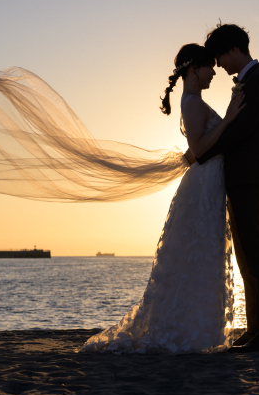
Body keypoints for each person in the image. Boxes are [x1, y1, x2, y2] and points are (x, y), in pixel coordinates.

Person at [78, 43, 246, 354]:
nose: (213, 72)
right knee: (198, 255)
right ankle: (187, 332)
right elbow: (199, 147)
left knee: (198, 258)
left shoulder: (193, 101)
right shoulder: (193, 102)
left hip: (207, 181)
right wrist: (228, 118)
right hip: (203, 186)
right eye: (209, 67)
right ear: (194, 69)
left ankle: (196, 329)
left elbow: (193, 154)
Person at [188, 23, 259, 353]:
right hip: (242, 179)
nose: (218, 65)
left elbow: (240, 132)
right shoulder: (251, 80)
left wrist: (202, 152)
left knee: (257, 254)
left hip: (251, 178)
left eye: (219, 57)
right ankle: (256, 329)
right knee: (246, 257)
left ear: (234, 49)